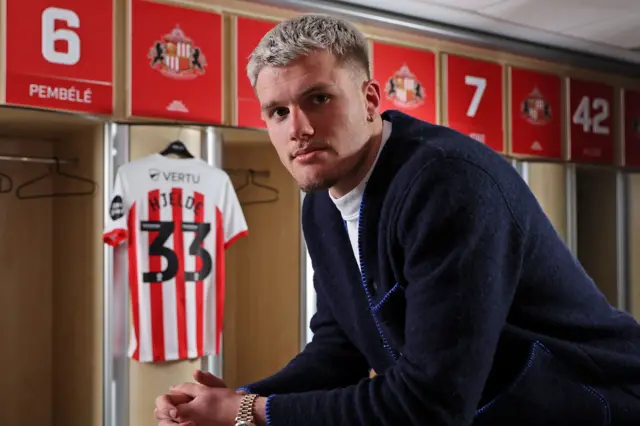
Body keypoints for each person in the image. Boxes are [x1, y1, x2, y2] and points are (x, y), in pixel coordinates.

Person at [155, 13, 640, 426]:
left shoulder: (446, 183)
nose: (298, 129)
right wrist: (226, 404)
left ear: (369, 99)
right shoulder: (322, 204)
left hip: (599, 407)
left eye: (318, 99)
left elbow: (431, 403)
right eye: (278, 112)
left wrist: (248, 411)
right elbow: (338, 350)